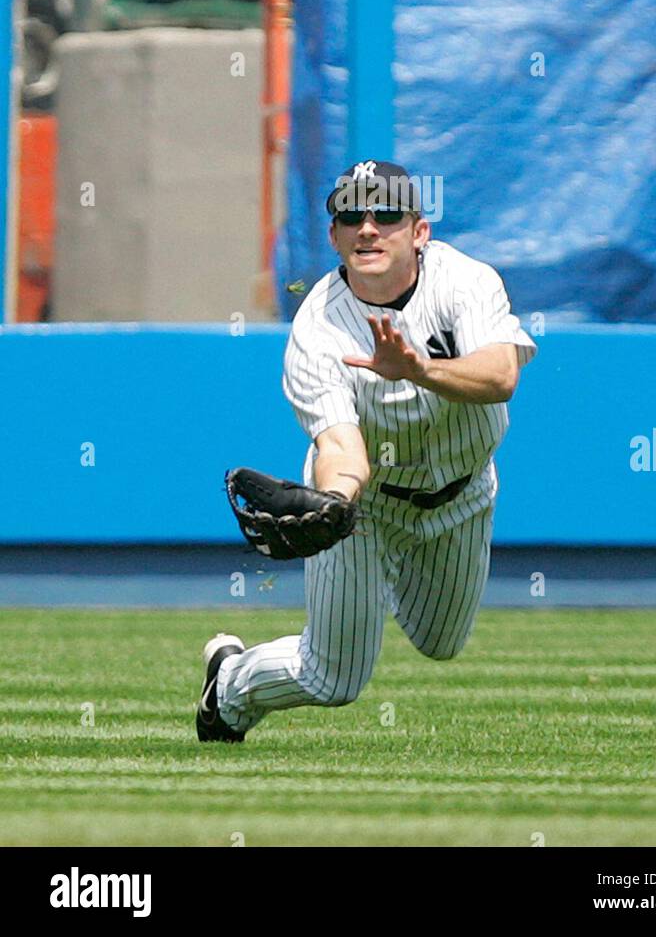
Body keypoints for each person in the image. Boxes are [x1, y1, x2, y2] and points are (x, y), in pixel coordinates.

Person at [196, 160, 537, 743]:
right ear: (334, 236)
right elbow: (339, 445)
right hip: (368, 508)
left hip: (463, 495)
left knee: (441, 643)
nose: (368, 228)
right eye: (351, 215)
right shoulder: (318, 326)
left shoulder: (465, 282)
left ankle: (371, 592)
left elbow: (502, 374)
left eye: (387, 215)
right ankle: (228, 685)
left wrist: (420, 369)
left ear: (419, 230)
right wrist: (335, 501)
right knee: (333, 678)